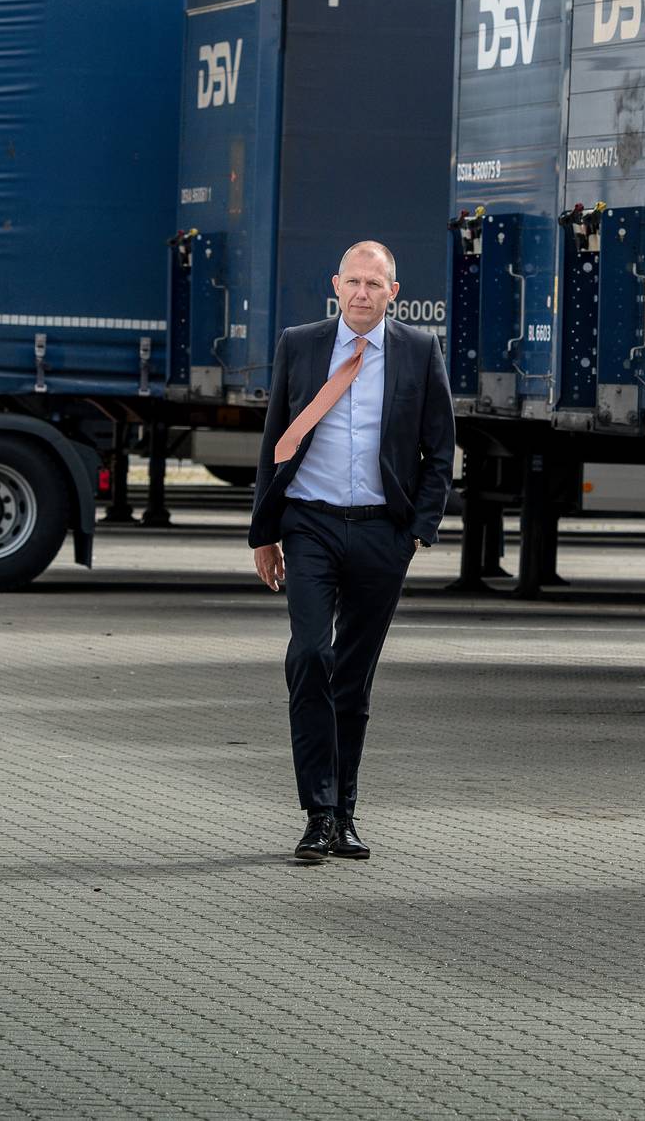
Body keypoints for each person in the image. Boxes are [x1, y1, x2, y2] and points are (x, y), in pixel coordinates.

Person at [249, 240, 455, 864]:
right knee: (311, 656)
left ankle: (344, 814)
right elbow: (275, 440)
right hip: (309, 525)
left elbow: (440, 450)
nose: (363, 294)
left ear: (394, 291)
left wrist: (417, 531)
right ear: (335, 285)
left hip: (380, 535)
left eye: (376, 284)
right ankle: (316, 813)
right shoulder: (301, 344)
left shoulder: (418, 352)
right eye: (353, 282)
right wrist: (264, 532)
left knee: (354, 680)